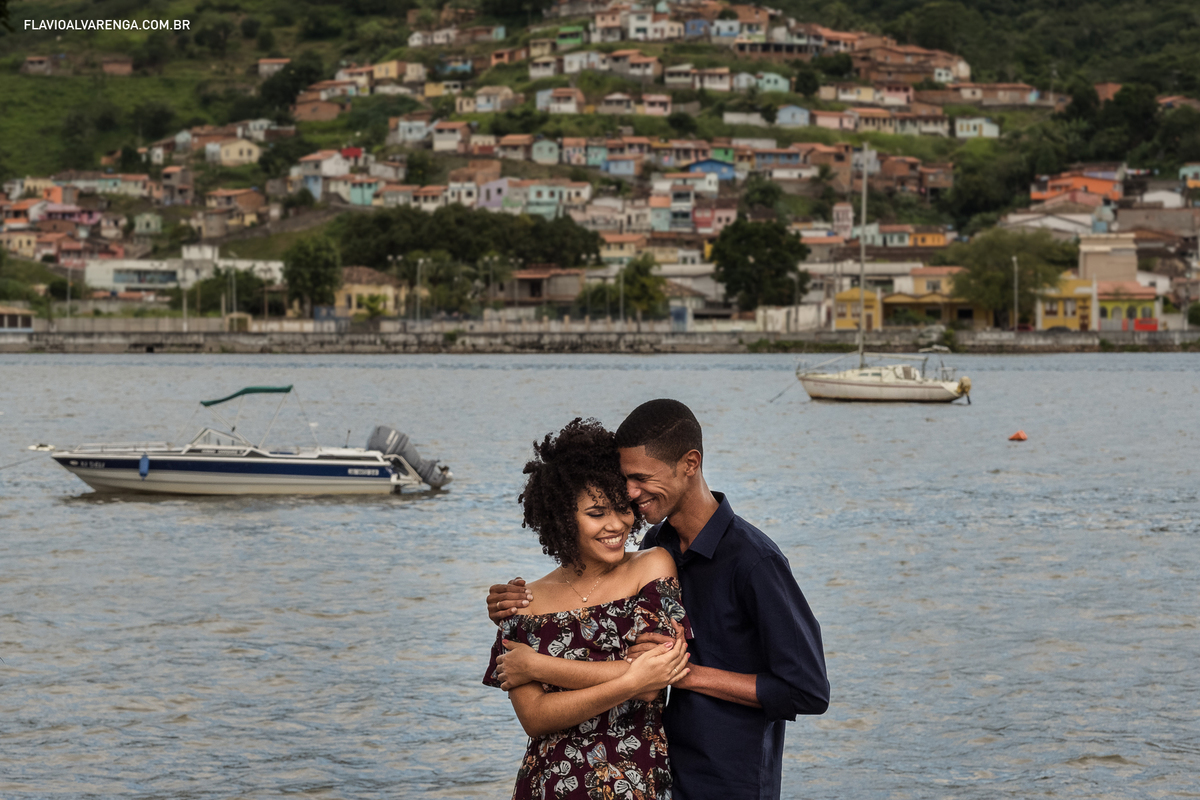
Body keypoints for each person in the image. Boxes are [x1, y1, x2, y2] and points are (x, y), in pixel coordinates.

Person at [487, 399, 829, 800]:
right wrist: (507, 607)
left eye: (639, 478)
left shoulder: (754, 561)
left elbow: (807, 690)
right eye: (623, 480)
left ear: (690, 464)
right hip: (663, 770)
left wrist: (680, 673)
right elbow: (587, 592)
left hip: (729, 779)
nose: (630, 494)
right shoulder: (657, 545)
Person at [483, 417, 695, 800]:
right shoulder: (522, 603)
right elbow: (535, 719)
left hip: (637, 784)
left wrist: (539, 666)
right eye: (596, 513)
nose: (616, 525)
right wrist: (630, 678)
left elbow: (656, 681)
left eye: (622, 508)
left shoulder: (652, 567)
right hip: (548, 786)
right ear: (564, 518)